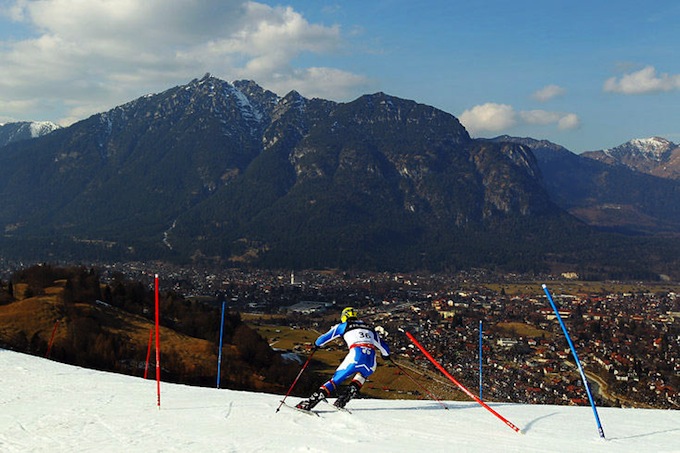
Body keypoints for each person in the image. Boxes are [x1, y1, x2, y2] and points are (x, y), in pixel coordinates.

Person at [296, 306, 390, 411]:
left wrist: (316, 345)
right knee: (362, 375)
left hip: (356, 355)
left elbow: (322, 339)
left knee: (335, 380)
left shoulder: (343, 326)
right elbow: (385, 349)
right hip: (371, 360)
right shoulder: (370, 328)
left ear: (344, 317)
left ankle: (309, 403)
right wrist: (385, 356)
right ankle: (343, 399)